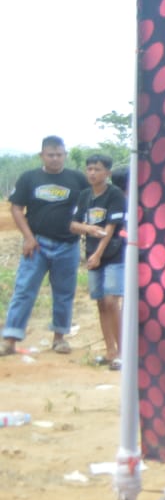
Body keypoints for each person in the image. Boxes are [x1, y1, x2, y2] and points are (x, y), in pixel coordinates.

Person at [3, 136, 88, 356]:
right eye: (50, 155)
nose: (55, 159)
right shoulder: (29, 178)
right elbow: (16, 208)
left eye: (59, 154)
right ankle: (10, 340)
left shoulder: (77, 179)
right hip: (37, 245)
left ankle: (60, 338)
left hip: (68, 246)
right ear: (42, 155)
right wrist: (28, 237)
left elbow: (92, 201)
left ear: (65, 155)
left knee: (64, 293)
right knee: (24, 290)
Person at [70, 154, 126, 369]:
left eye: (98, 169)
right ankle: (110, 351)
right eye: (90, 169)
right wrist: (88, 228)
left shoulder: (114, 195)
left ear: (108, 173)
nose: (92, 173)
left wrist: (99, 253)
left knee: (111, 301)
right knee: (101, 303)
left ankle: (122, 352)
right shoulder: (84, 196)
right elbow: (73, 224)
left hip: (113, 255)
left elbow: (111, 228)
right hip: (93, 254)